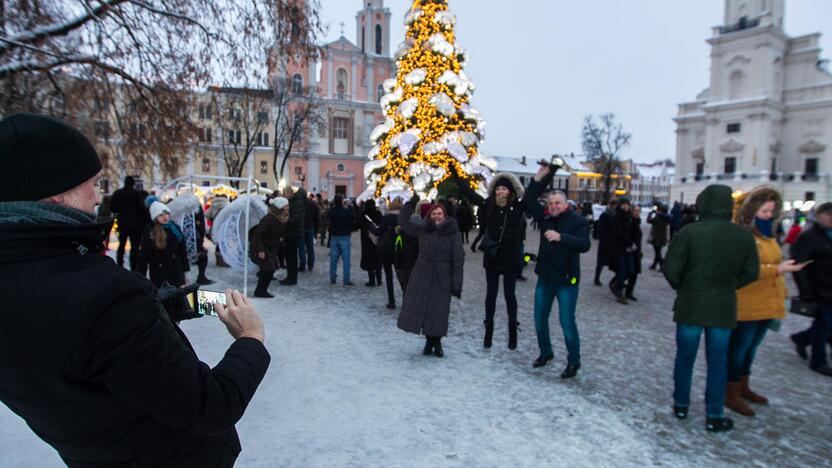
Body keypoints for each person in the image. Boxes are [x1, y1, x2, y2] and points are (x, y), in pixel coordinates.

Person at [0, 113, 269, 466]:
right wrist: (250, 338)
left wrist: (170, 304)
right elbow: (209, 407)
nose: (99, 196)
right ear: (55, 193)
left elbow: (91, 338)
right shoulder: (102, 295)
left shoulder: (32, 277)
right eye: (92, 184)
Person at [662, 184, 759, 432]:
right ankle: (714, 414)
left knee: (685, 358)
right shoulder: (743, 235)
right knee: (718, 362)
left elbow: (671, 268)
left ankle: (681, 404)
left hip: (691, 304)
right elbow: (751, 272)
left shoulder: (688, 232)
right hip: (723, 305)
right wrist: (729, 286)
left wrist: (686, 287)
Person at [725, 187, 806, 416]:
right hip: (747, 302)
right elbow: (742, 269)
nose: (769, 215)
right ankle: (730, 392)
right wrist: (777, 269)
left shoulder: (768, 235)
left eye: (771, 210)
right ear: (751, 211)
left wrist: (782, 273)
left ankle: (743, 386)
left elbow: (771, 264)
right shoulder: (742, 236)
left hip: (767, 302)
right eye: (764, 210)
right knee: (739, 348)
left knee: (750, 349)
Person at [525, 164, 590, 378]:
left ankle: (574, 361)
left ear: (565, 204)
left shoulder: (578, 221)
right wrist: (538, 178)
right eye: (551, 203)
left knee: (566, 322)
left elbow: (584, 244)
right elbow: (528, 201)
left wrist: (561, 237)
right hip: (545, 277)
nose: (553, 206)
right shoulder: (545, 218)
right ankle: (546, 352)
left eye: (557, 203)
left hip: (567, 280)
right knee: (539, 318)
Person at [464, 173, 526, 350]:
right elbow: (468, 192)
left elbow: (535, 192)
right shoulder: (487, 206)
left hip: (511, 259)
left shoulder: (518, 208)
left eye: (504, 188)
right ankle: (488, 332)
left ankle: (512, 332)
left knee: (509, 295)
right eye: (498, 189)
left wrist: (549, 171)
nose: (500, 192)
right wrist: (452, 168)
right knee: (491, 294)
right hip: (492, 257)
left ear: (510, 191)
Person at [397, 197, 464, 358]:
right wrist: (411, 204)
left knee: (439, 310)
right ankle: (429, 340)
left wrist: (457, 284)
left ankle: (437, 341)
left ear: (445, 215)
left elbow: (458, 258)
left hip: (443, 276)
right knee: (426, 309)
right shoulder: (423, 229)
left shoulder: (453, 232)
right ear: (429, 215)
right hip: (423, 274)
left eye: (440, 213)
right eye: (434, 213)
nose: (437, 216)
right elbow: (405, 224)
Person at [790, 202, 832, 376]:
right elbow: (799, 265)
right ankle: (818, 361)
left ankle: (801, 338)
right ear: (820, 216)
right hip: (819, 289)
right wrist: (806, 292)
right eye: (828, 216)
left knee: (826, 325)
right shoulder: (809, 236)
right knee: (824, 325)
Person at [136, 201, 190, 288]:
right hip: (160, 273)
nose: (165, 217)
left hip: (177, 271)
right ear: (155, 217)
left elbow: (182, 251)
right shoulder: (151, 231)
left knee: (180, 298)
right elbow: (144, 256)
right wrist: (141, 277)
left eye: (166, 213)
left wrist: (186, 271)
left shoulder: (175, 228)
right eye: (161, 215)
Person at [250, 197, 289, 298]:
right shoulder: (268, 218)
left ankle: (262, 290)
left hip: (271, 247)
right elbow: (258, 235)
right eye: (286, 206)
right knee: (268, 269)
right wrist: (260, 250)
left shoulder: (281, 218)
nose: (288, 208)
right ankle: (260, 291)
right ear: (280, 207)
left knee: (270, 269)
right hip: (263, 247)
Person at [110, 175, 149, 270]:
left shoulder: (118, 193)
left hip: (122, 223)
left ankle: (120, 264)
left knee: (121, 245)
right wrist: (147, 221)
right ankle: (134, 266)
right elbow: (142, 209)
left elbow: (112, 208)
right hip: (136, 225)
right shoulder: (137, 194)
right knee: (135, 247)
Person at [373, 198, 403, 309]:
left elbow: (378, 231)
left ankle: (392, 301)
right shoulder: (403, 219)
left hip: (386, 249)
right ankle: (406, 299)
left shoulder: (386, 218)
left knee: (389, 276)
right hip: (399, 249)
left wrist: (372, 227)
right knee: (401, 276)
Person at [608, 198, 636, 304]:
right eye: (623, 205)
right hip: (619, 248)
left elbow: (632, 232)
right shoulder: (617, 218)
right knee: (622, 270)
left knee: (631, 271)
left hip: (628, 248)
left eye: (627, 205)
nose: (625, 207)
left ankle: (614, 283)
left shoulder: (629, 217)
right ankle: (620, 292)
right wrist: (629, 243)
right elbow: (619, 234)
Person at [328, 195, 356, 286]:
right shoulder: (346, 211)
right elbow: (353, 218)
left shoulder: (332, 211)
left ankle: (333, 278)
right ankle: (346, 279)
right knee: (346, 259)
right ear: (341, 202)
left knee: (333, 259)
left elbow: (327, 217)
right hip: (344, 236)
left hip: (334, 236)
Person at [282, 186, 305, 285]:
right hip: (290, 232)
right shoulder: (292, 202)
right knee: (289, 256)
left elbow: (296, 219)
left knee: (292, 257)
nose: (284, 196)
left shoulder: (297, 203)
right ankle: (289, 277)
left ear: (290, 193)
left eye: (284, 194)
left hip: (293, 233)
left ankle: (292, 278)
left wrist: (285, 219)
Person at [359, 199, 383, 287]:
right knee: (378, 259)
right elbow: (382, 224)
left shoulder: (364, 214)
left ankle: (372, 281)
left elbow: (358, 225)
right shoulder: (378, 214)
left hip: (366, 240)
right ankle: (379, 280)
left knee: (369, 260)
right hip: (377, 239)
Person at [593, 200, 615, 286]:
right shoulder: (605, 215)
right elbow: (601, 229)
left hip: (611, 242)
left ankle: (617, 279)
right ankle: (597, 278)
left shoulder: (612, 215)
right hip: (605, 242)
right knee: (601, 262)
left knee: (612, 262)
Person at [624, 205, 643, 302]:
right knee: (630, 271)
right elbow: (626, 236)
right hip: (630, 250)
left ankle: (629, 292)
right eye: (635, 210)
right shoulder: (629, 222)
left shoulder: (637, 222)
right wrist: (630, 244)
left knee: (635, 273)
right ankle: (616, 284)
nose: (636, 212)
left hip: (637, 251)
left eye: (638, 211)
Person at [299, 193, 319, 272]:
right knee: (310, 248)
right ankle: (310, 265)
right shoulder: (312, 204)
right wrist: (316, 230)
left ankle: (302, 265)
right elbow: (316, 217)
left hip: (301, 228)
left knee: (301, 248)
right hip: (310, 228)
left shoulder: (299, 204)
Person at [647, 204, 671, 270]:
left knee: (657, 253)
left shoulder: (658, 217)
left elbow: (649, 220)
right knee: (658, 251)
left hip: (656, 237)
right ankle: (654, 265)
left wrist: (651, 212)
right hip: (663, 237)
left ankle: (662, 266)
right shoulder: (666, 217)